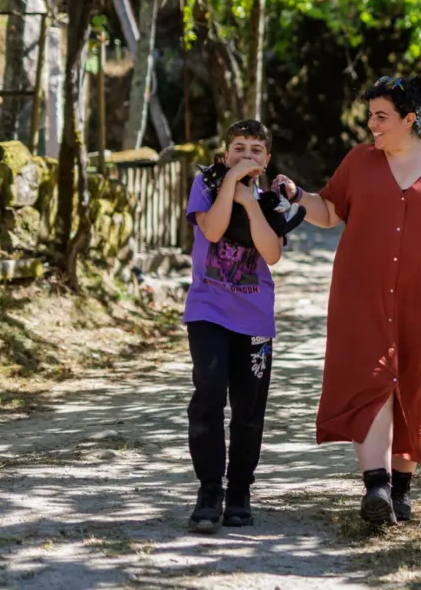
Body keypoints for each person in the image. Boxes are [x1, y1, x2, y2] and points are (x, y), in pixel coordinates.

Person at [272, 76, 421, 525]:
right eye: (370, 115)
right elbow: (330, 210)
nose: (372, 124)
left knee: (415, 381)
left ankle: (402, 489)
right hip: (361, 295)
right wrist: (298, 196)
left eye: (381, 117)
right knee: (369, 382)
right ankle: (376, 486)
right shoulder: (359, 160)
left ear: (410, 119)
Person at [183, 119, 286, 533]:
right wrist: (231, 187)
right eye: (238, 148)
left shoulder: (273, 200)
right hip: (207, 311)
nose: (246, 155)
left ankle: (239, 490)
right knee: (208, 395)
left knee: (248, 409)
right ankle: (210, 490)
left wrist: (250, 200)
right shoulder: (205, 186)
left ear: (267, 160)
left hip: (256, 320)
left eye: (255, 150)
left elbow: (272, 253)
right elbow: (211, 228)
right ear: (225, 155)